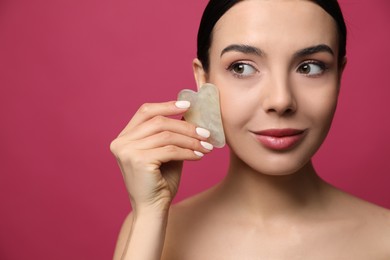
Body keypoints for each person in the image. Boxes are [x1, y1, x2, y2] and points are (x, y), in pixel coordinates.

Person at [110, 0, 390, 259]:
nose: (281, 100)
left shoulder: (383, 239)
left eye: (309, 67)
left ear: (339, 76)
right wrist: (149, 215)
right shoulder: (152, 230)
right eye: (242, 68)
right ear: (203, 80)